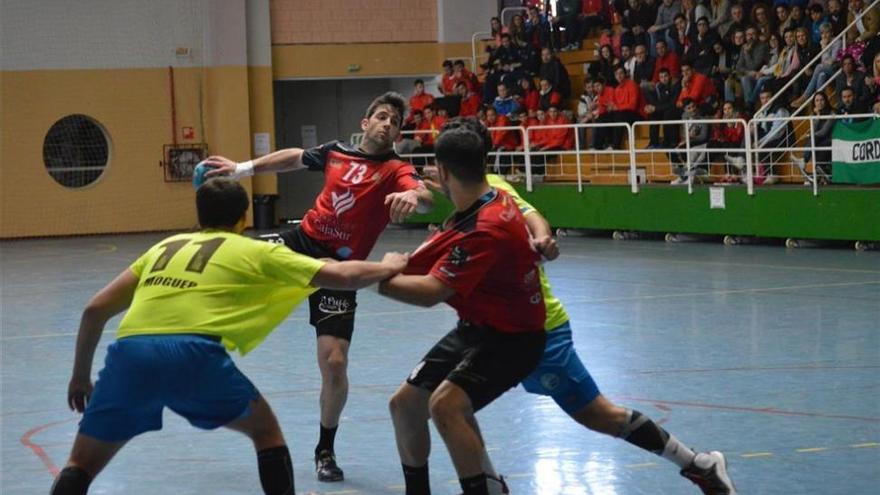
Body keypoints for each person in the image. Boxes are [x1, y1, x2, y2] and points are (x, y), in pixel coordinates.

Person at [49, 178, 409, 495]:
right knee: (266, 433)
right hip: (192, 352)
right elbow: (343, 275)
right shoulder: (251, 249)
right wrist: (389, 266)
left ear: (199, 215)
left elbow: (94, 310)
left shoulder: (163, 247)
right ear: (242, 218)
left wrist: (80, 376)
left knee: (81, 462)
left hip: (129, 354)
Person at [202, 92, 433, 482]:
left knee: (335, 364)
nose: (387, 124)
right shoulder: (336, 152)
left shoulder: (396, 169)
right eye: (380, 117)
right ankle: (190, 343)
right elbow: (294, 157)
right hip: (299, 244)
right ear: (365, 123)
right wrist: (241, 168)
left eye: (395, 121)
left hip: (340, 269)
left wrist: (414, 195)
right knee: (222, 254)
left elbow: (425, 197)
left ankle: (324, 449)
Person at [477, 172, 739, 495]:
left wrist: (543, 239)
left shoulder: (491, 190)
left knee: (599, 415)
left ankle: (699, 464)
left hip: (535, 330)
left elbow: (533, 217)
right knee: (443, 402)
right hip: (495, 331)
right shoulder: (461, 197)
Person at [380, 118, 547, 495]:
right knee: (405, 405)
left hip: (513, 340)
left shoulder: (484, 230)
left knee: (446, 406)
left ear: (443, 169)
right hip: (476, 328)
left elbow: (429, 292)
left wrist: (376, 277)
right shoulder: (493, 196)